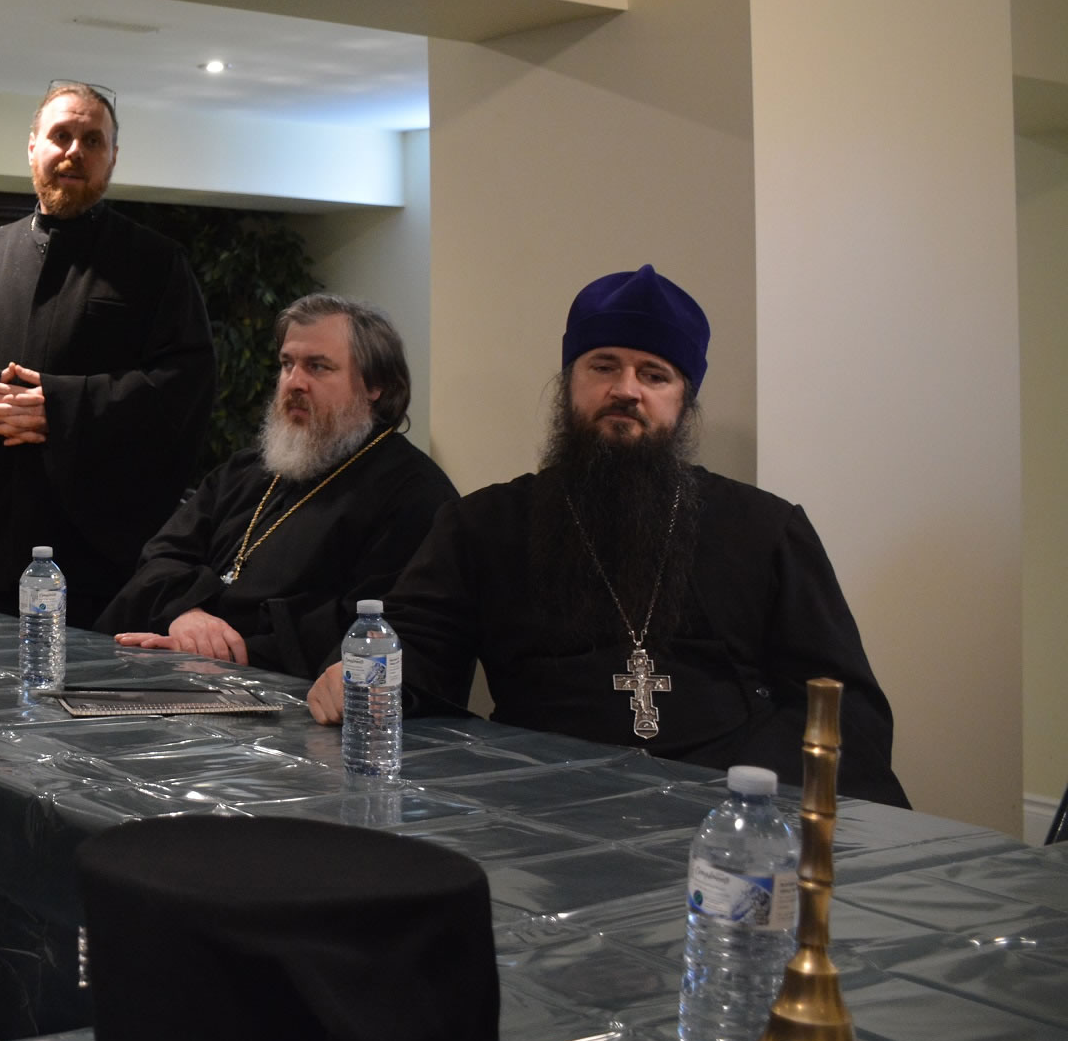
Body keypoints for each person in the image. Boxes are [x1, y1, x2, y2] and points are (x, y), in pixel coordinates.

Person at [305, 265, 907, 804]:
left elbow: (841, 702)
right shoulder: (485, 525)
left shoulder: (765, 529)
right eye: (604, 366)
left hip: (722, 808)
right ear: (569, 383)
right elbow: (416, 644)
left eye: (654, 374)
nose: (626, 389)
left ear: (684, 401)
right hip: (542, 804)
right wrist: (364, 674)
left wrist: (745, 797)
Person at [0, 82, 215, 626]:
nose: (74, 151)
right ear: (33, 147)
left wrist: (61, 408)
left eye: (93, 140)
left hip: (99, 555)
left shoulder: (157, 264)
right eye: (61, 136)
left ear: (112, 157)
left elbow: (184, 383)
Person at [100, 295, 457, 677]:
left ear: (376, 385)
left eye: (317, 367)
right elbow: (161, 555)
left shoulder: (413, 495)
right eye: (287, 364)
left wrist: (221, 654)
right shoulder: (246, 470)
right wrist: (187, 613)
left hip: (278, 694)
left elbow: (367, 634)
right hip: (171, 662)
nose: (294, 383)